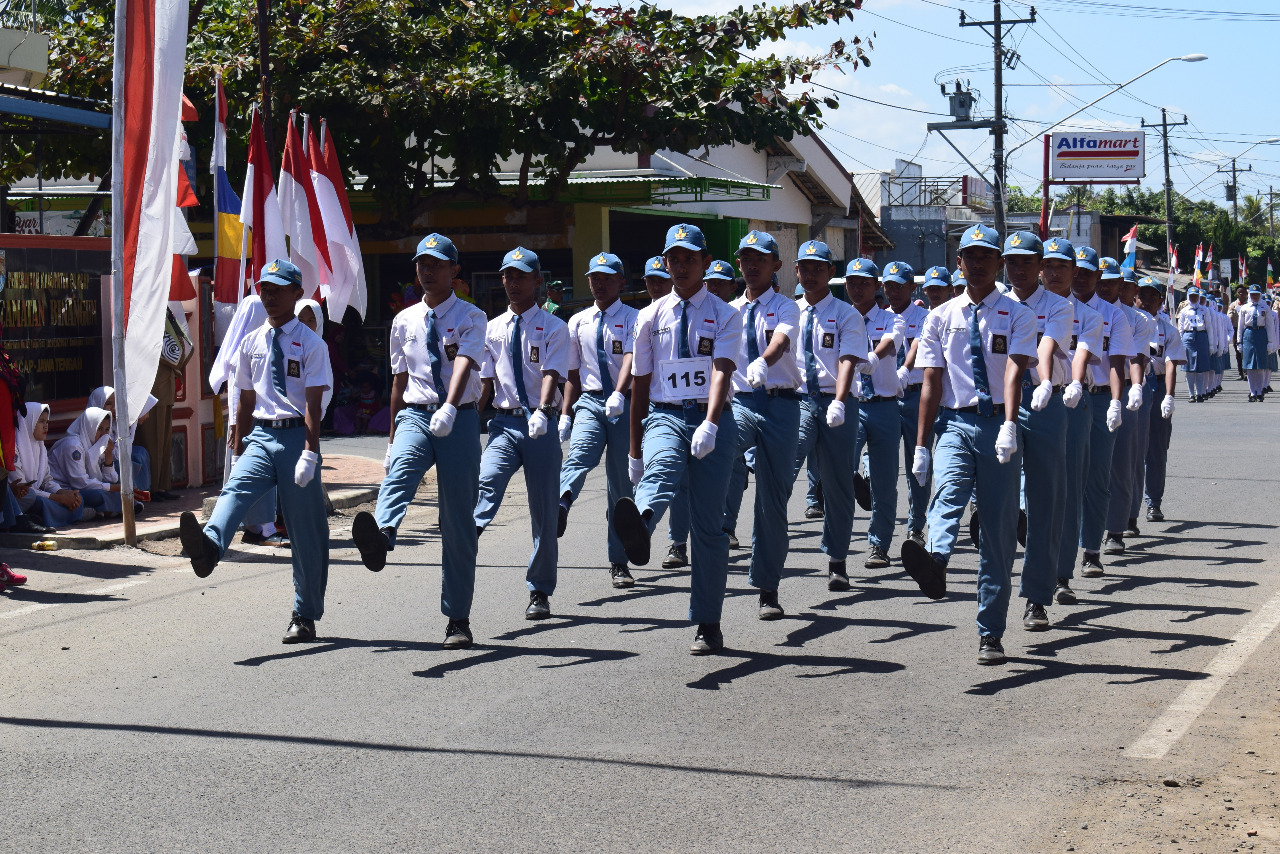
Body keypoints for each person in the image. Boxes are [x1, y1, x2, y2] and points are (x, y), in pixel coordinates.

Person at [178, 259, 332, 644]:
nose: (270, 296)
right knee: (235, 490)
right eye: (265, 289)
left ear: (297, 294)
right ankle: (210, 546)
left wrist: (310, 452)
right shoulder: (250, 342)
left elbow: (314, 405)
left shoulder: (312, 344)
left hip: (297, 437)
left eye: (279, 289)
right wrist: (238, 444)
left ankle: (304, 614)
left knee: (306, 531)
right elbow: (245, 400)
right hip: (262, 435)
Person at [903, 223, 1037, 665]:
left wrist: (1011, 423)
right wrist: (922, 445)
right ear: (957, 263)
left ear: (999, 263)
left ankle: (990, 632)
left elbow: (1016, 369)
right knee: (947, 491)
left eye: (986, 256)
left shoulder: (1018, 314)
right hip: (956, 422)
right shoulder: (939, 317)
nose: (978, 264)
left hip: (998, 423)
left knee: (997, 535)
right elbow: (931, 381)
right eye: (970, 256)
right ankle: (937, 560)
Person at [612, 222, 742, 654]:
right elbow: (640, 384)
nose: (682, 266)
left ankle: (708, 622)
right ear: (665, 263)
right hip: (665, 415)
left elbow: (722, 369)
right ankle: (642, 523)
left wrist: (711, 422)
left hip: (712, 419)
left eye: (690, 259)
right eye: (674, 259)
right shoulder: (649, 317)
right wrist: (634, 451)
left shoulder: (726, 314)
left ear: (705, 262)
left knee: (708, 528)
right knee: (662, 467)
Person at [352, 234, 488, 648]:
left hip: (459, 417)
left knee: (458, 522)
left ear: (454, 270)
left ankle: (458, 618)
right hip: (415, 412)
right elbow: (399, 380)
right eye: (422, 264)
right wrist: (392, 438)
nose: (427, 271)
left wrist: (450, 407)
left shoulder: (471, 316)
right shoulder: (404, 320)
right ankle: (382, 535)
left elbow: (464, 362)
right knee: (400, 471)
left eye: (436, 264)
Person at [473, 246, 570, 620]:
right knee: (487, 480)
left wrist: (544, 411)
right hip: (504, 422)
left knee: (544, 511)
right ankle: (469, 531)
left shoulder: (554, 327)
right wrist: (465, 420)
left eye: (521, 276)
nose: (513, 282)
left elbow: (551, 374)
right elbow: (485, 382)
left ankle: (539, 590)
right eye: (508, 276)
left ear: (538, 281)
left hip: (540, 424)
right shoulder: (492, 329)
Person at [1002, 232, 1077, 630]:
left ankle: (1036, 596)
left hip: (1046, 402)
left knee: (1045, 502)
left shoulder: (1058, 306)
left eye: (1027, 261)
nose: (1019, 269)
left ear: (1040, 266)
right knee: (998, 500)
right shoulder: (995, 302)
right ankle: (994, 597)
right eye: (1011, 261)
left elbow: (1046, 345)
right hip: (1001, 401)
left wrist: (1045, 381)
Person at [726, 231, 802, 619]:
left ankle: (767, 588)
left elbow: (781, 342)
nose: (752, 265)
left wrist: (763, 362)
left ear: (776, 265)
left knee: (772, 503)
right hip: (741, 402)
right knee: (719, 451)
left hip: (780, 406)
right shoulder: (728, 311)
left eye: (760, 259)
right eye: (746, 259)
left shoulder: (788, 307)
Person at [557, 252, 640, 588]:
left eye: (607, 278)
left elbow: (632, 358)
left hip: (624, 403)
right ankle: (561, 502)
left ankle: (618, 561)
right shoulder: (578, 322)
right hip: (591, 402)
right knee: (579, 455)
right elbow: (573, 374)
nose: (600, 284)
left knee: (620, 486)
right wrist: (565, 413)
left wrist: (619, 393)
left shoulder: (634, 318)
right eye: (595, 278)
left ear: (621, 282)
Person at [792, 246, 868, 591]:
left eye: (818, 268)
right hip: (799, 402)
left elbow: (848, 359)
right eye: (805, 268)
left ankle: (837, 560)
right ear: (796, 271)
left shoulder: (846, 314)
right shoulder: (789, 312)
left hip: (837, 403)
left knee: (838, 485)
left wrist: (839, 399)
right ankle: (769, 555)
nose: (810, 275)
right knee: (784, 468)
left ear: (830, 271)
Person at [1037, 238, 1104, 607]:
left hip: (1070, 400)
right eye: (1048, 265)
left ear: (1073, 271)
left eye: (1062, 266)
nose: (1054, 272)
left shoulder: (1088, 316)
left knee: (1068, 491)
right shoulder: (1016, 306)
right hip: (1021, 400)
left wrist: (1075, 383)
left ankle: (1061, 574)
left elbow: (1081, 352)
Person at [1070, 248, 1135, 580]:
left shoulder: (1114, 315)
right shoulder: (1057, 308)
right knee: (1060, 478)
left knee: (1095, 478)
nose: (1080, 278)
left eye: (1087, 272)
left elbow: (1116, 364)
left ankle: (1091, 551)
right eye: (1076, 271)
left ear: (1098, 276)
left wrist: (1115, 401)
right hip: (1061, 398)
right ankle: (1057, 556)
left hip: (1097, 399)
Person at [848, 258, 906, 569]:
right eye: (852, 282)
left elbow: (890, 342)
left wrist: (872, 357)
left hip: (884, 407)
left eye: (864, 283)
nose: (858, 288)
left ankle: (879, 545)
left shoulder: (892, 319)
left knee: (885, 482)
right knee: (840, 471)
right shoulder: (840, 317)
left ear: (877, 286)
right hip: (851, 405)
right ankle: (839, 546)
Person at [1099, 260, 1151, 556]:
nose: (1104, 287)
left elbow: (1137, 358)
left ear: (1121, 284)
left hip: (1124, 392)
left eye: (1110, 282)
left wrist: (1137, 387)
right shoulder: (1080, 309)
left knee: (1121, 464)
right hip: (1087, 393)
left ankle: (1115, 529)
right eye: (1100, 281)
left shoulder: (1136, 319)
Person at [886, 263, 931, 546]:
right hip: (887, 398)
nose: (893, 291)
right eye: (889, 286)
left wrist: (904, 369)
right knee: (884, 465)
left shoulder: (926, 317)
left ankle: (916, 525)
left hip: (915, 395)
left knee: (917, 464)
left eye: (900, 286)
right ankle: (882, 532)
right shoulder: (881, 317)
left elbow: (916, 346)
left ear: (912, 287)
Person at [9, 401, 108, 527]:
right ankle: (71, 515)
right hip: (25, 497)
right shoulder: (13, 449)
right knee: (37, 500)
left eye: (47, 422)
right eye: (41, 421)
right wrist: (59, 498)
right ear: (28, 422)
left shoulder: (40, 447)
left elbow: (46, 480)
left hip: (41, 494)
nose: (46, 427)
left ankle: (56, 516)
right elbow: (22, 489)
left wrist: (62, 492)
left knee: (77, 497)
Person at [1136, 276, 1184, 521]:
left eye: (1151, 296)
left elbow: (1171, 363)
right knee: (1130, 449)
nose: (1145, 301)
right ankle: (1126, 508)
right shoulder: (1127, 322)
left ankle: (1153, 501)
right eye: (1141, 295)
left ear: (1160, 300)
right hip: (1133, 386)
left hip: (1157, 386)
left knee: (1156, 448)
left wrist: (1169, 396)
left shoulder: (1168, 330)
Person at [136, 308, 191, 502]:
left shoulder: (165, 322)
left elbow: (179, 352)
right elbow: (162, 354)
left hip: (165, 390)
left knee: (165, 441)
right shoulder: (144, 324)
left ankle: (162, 485)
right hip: (152, 391)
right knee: (152, 440)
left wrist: (174, 327)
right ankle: (151, 486)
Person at [49, 407, 128, 518]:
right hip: (64, 490)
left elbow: (111, 479)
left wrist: (108, 454)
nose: (104, 435)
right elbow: (80, 484)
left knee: (110, 489)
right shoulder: (73, 446)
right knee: (99, 494)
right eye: (99, 429)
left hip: (82, 488)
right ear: (89, 427)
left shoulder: (96, 444)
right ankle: (119, 507)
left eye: (107, 430)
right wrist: (117, 488)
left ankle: (109, 509)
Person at [1239, 284, 1272, 401]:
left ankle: (1259, 390)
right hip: (1249, 335)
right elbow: (1240, 326)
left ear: (1260, 295)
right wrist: (1239, 342)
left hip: (1261, 334)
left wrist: (1270, 342)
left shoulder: (1265, 308)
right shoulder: (1245, 308)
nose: (1255, 296)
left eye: (1257, 294)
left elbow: (1269, 326)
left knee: (1260, 365)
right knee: (1250, 366)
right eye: (1253, 294)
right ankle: (1252, 392)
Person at [1177, 288, 1211, 402]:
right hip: (1188, 337)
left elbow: (1209, 327)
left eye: (1195, 296)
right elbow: (1181, 327)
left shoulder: (1204, 310)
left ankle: (1200, 393)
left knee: (1200, 368)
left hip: (1201, 336)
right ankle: (1191, 394)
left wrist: (1212, 344)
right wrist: (1180, 343)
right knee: (1189, 367)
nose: (1193, 298)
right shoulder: (1184, 311)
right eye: (1191, 296)